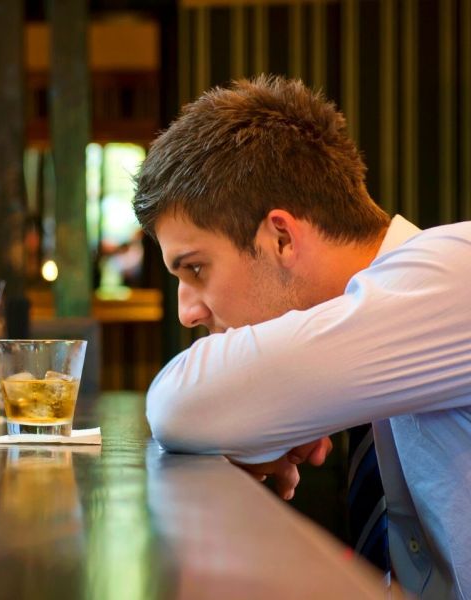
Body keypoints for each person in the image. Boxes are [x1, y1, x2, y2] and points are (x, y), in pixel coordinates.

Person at [133, 75, 471, 599]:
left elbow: (178, 403)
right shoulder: (399, 317)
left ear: (282, 237)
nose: (188, 312)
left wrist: (252, 410)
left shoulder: (455, 272)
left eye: (196, 268)